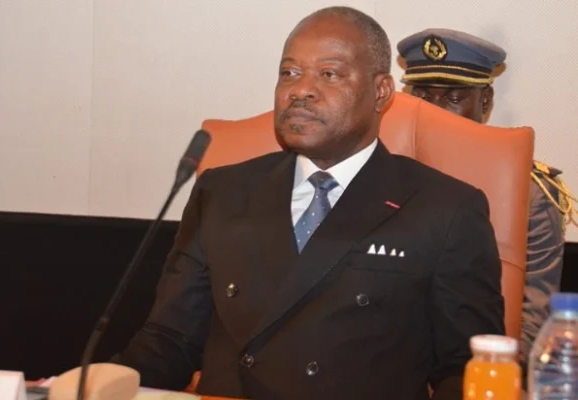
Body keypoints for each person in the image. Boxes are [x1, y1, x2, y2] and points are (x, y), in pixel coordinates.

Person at [114, 8, 504, 400]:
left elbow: (468, 369)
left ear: (381, 92)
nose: (300, 90)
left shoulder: (446, 209)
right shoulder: (223, 191)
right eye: (290, 72)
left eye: (329, 74)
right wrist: (100, 381)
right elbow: (170, 341)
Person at [397, 28, 577, 382]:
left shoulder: (528, 194)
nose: (434, 112)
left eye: (453, 98)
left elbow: (530, 329)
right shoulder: (382, 179)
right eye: (422, 97)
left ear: (485, 102)